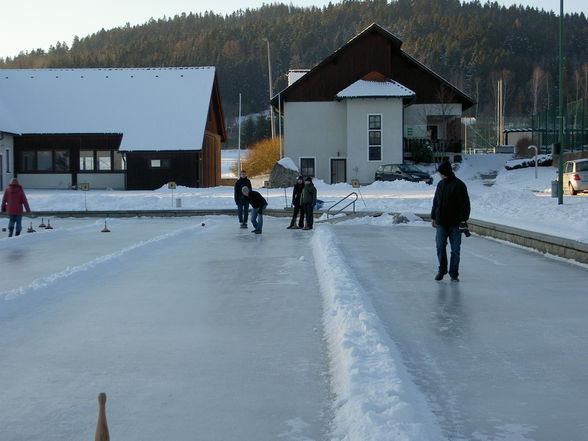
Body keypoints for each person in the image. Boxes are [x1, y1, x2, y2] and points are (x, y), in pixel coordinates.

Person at [430, 161, 470, 282]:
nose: (439, 175)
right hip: (441, 222)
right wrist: (433, 217)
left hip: (455, 223)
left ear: (444, 172)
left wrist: (463, 220)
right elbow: (436, 202)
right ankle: (442, 270)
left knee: (455, 250)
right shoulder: (440, 185)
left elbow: (465, 205)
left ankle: (454, 273)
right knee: (440, 246)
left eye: (440, 173)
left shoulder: (459, 185)